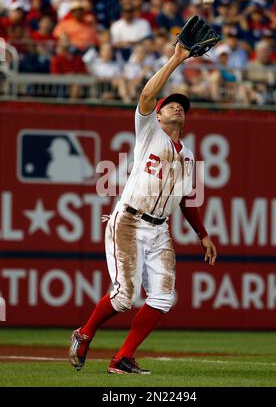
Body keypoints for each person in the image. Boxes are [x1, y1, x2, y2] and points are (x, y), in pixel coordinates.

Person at [68, 41, 217, 375]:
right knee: (123, 297)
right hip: (129, 220)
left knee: (163, 298)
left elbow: (186, 201)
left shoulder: (189, 155)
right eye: (171, 105)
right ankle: (84, 333)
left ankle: (122, 358)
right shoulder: (149, 131)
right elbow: (147, 96)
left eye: (182, 106)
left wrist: (203, 235)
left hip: (160, 228)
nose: (177, 108)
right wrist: (177, 58)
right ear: (160, 114)